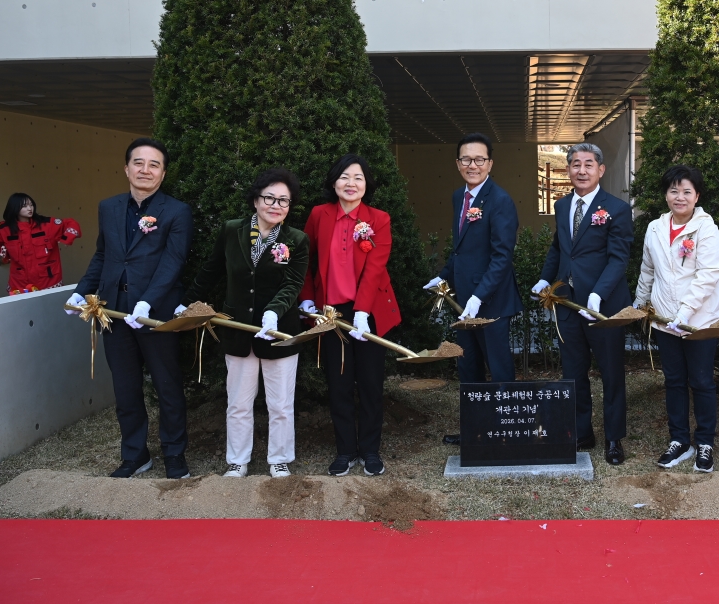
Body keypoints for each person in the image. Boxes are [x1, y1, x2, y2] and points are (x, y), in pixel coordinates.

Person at [66, 138, 194, 479]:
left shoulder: (176, 211)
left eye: (154, 165)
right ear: (126, 168)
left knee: (167, 386)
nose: (145, 170)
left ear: (163, 174)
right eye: (139, 163)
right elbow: (103, 255)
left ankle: (174, 456)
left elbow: (172, 262)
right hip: (113, 312)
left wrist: (147, 301)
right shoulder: (108, 207)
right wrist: (83, 291)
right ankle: (135, 455)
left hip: (154, 312)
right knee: (125, 388)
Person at [180, 169, 308, 479]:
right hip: (237, 330)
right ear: (255, 200)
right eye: (269, 198)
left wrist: (274, 311)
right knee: (238, 401)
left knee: (280, 404)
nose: (276, 205)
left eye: (284, 201)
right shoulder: (231, 230)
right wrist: (186, 302)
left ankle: (279, 459)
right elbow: (211, 270)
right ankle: (237, 460)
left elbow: (292, 284)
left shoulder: (296, 240)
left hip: (278, 331)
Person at [299, 154, 400, 477]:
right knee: (339, 383)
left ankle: (370, 450)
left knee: (370, 383)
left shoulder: (378, 219)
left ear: (367, 184)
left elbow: (375, 268)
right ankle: (345, 450)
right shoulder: (319, 215)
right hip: (330, 313)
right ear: (333, 182)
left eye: (358, 177)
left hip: (367, 311)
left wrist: (362, 312)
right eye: (344, 177)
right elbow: (305, 261)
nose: (351, 183)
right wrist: (307, 301)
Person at [533, 143, 633, 465]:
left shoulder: (616, 209)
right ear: (568, 170)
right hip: (566, 303)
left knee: (611, 372)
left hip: (602, 307)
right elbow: (559, 250)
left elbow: (619, 259)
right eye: (575, 164)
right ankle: (582, 432)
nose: (582, 170)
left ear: (600, 170)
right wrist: (546, 279)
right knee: (574, 370)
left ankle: (614, 438)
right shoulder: (562, 206)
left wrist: (598, 293)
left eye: (589, 164)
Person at [424, 133, 523, 445]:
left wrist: (479, 297)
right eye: (466, 159)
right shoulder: (459, 198)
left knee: (499, 368)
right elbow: (461, 250)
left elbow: (501, 257)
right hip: (463, 302)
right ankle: (475, 432)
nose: (473, 165)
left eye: (479, 159)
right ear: (457, 163)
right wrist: (443, 278)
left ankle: (507, 432)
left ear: (490, 163)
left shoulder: (501, 200)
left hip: (491, 303)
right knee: (468, 367)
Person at [634, 165, 719, 473]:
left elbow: (708, 275)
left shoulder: (707, 229)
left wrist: (685, 313)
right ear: (666, 195)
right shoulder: (655, 228)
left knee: (701, 381)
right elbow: (648, 269)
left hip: (700, 322)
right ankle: (679, 441)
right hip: (663, 319)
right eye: (674, 191)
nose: (680, 197)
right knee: (673, 381)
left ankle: (705, 443)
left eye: (687, 191)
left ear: (697, 196)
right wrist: (639, 304)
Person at [0, 193, 81, 295]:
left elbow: (71, 223)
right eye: (25, 206)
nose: (30, 208)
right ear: (14, 208)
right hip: (19, 284)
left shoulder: (46, 224)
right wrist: (3, 256)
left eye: (31, 205)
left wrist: (67, 238)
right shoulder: (5, 229)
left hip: (48, 282)